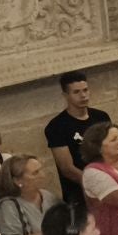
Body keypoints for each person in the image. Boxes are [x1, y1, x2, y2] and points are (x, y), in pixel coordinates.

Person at [44, 71, 111, 212]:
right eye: (76, 92)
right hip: (79, 193)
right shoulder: (56, 126)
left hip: (109, 181)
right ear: (65, 95)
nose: (83, 95)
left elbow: (111, 148)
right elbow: (67, 168)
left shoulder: (101, 117)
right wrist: (96, 182)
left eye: (85, 90)